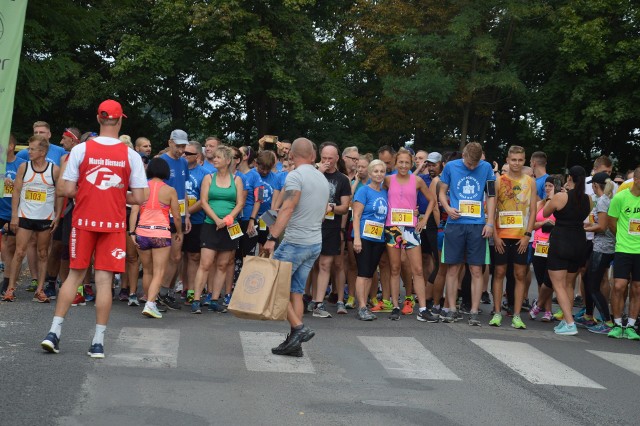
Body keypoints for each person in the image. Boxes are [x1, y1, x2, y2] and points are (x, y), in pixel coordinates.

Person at [40, 99, 148, 358]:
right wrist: (118, 193)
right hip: (112, 224)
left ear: (99, 119)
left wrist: (87, 192)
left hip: (83, 221)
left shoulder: (81, 150)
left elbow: (65, 189)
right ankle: (97, 342)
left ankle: (54, 333)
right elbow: (142, 196)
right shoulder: (130, 154)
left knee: (74, 276)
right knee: (103, 280)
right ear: (120, 120)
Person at [263, 138, 329, 357]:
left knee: (272, 285)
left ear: (291, 155)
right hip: (314, 242)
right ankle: (295, 344)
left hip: (295, 242)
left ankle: (299, 329)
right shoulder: (321, 178)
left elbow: (287, 208)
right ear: (313, 156)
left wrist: (272, 237)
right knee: (295, 292)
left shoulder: (295, 176)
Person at [439, 142, 496, 325]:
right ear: (463, 155)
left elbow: (492, 195)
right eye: (469, 163)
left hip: (477, 224)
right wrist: (447, 207)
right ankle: (452, 309)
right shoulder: (450, 166)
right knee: (453, 268)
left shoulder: (486, 167)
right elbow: (441, 192)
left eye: (475, 164)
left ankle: (473, 311)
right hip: (456, 223)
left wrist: (490, 222)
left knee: (476, 269)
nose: (472, 167)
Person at [2, 135, 61, 303]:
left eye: (32, 149)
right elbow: (16, 192)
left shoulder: (54, 170)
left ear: (42, 152)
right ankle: (10, 289)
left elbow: (59, 195)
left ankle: (40, 290)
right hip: (25, 216)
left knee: (43, 254)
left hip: (45, 218)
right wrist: (14, 215)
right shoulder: (23, 167)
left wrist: (57, 216)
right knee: (19, 252)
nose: (28, 151)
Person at [383, 148, 436, 321]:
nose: (404, 165)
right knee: (395, 268)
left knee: (418, 269)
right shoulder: (388, 180)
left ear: (412, 163)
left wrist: (423, 220)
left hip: (411, 229)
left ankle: (422, 309)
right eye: (401, 162)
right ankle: (395, 307)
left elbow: (432, 200)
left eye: (407, 162)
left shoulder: (418, 180)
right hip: (393, 228)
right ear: (396, 163)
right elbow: (378, 193)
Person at [190, 146, 244, 314]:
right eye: (214, 157)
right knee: (205, 263)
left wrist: (227, 220)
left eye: (219, 157)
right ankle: (197, 299)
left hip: (230, 226)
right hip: (210, 224)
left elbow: (240, 203)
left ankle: (214, 299)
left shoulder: (237, 180)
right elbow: (204, 201)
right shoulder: (208, 177)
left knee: (222, 265)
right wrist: (216, 219)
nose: (214, 159)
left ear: (228, 161)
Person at [489, 146, 537, 329]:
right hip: (501, 235)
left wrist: (527, 235)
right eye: (513, 160)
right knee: (499, 273)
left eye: (520, 160)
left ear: (524, 161)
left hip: (521, 237)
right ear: (507, 161)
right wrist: (495, 235)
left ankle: (517, 315)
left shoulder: (530, 182)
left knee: (519, 274)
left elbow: (533, 211)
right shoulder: (499, 181)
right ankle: (496, 312)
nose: (516, 163)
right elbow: (491, 210)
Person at [129, 158, 182, 319]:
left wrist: (132, 232)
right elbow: (177, 216)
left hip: (142, 232)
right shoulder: (170, 190)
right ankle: (151, 304)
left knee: (147, 271)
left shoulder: (142, 188)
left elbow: (134, 212)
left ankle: (148, 299)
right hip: (161, 233)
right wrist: (179, 231)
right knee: (159, 271)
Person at [543, 165, 591, 336]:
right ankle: (566, 319)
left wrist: (552, 197)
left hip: (561, 241)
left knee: (558, 284)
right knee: (569, 284)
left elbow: (547, 211)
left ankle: (570, 323)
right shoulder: (587, 199)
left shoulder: (560, 196)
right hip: (579, 241)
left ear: (569, 178)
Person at [310, 142, 352, 318]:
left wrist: (331, 207)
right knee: (311, 263)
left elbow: (345, 207)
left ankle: (319, 302)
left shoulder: (342, 179)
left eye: (330, 158)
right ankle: (310, 298)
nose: (327, 161)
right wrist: (318, 173)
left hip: (331, 226)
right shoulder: (312, 174)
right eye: (324, 158)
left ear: (337, 158)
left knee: (326, 264)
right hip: (311, 225)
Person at [157, 129, 192, 310]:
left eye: (183, 146)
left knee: (176, 256)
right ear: (170, 142)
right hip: (163, 214)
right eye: (178, 146)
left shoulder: (184, 163)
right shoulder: (162, 161)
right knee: (163, 257)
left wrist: (187, 215)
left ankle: (166, 292)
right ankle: (157, 294)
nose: (181, 150)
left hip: (179, 214)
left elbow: (184, 190)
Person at [579, 172, 616, 333]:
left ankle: (607, 322)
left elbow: (602, 226)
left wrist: (583, 228)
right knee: (588, 279)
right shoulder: (608, 199)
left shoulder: (602, 201)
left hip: (603, 247)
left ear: (594, 185)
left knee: (593, 285)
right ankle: (589, 316)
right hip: (603, 246)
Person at [606, 167, 640, 340]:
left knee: (637, 288)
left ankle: (631, 326)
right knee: (619, 286)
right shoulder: (620, 197)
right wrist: (623, 237)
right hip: (623, 248)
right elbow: (612, 223)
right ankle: (617, 323)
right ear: (636, 179)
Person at [352, 160, 388, 321]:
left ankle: (364, 305)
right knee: (363, 272)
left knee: (370, 273)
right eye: (376, 171)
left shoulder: (385, 192)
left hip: (378, 238)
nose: (379, 174)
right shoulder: (364, 191)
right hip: (364, 237)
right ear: (370, 173)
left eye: (382, 171)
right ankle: (361, 306)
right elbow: (356, 215)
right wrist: (357, 239)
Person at [529, 175, 558, 322]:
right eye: (546, 185)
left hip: (553, 246)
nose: (547, 188)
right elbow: (532, 225)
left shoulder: (559, 204)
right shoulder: (540, 204)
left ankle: (546, 310)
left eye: (551, 186)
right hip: (538, 245)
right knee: (541, 279)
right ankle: (543, 308)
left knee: (550, 280)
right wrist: (543, 223)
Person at [0, 135, 26, 296]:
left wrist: (15, 183)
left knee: (10, 247)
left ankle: (8, 282)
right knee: (4, 248)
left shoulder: (20, 165)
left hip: (13, 212)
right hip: (0, 210)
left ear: (11, 146)